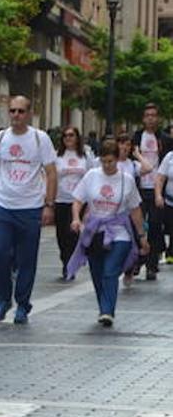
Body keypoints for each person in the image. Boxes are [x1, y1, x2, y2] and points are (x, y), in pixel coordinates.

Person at [0, 96, 57, 324]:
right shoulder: (0, 138)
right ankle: (3, 298)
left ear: (29, 113)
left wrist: (49, 205)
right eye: (12, 111)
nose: (16, 115)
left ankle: (23, 303)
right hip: (3, 206)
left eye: (21, 111)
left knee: (26, 259)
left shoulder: (39, 138)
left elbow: (51, 172)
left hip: (31, 207)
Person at [66, 139, 148, 327]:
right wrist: (76, 219)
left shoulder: (126, 179)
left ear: (117, 160)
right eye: (104, 161)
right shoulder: (92, 176)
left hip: (119, 232)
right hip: (95, 230)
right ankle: (103, 306)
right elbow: (77, 200)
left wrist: (141, 236)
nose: (107, 165)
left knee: (110, 271)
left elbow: (135, 210)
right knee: (97, 272)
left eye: (110, 161)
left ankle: (107, 311)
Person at [133, 104, 173, 279]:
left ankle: (152, 264)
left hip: (157, 190)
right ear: (143, 119)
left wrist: (160, 192)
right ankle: (136, 260)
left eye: (154, 115)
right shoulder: (136, 137)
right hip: (139, 188)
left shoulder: (164, 139)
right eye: (147, 115)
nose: (150, 118)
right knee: (138, 225)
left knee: (155, 227)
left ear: (158, 118)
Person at [54, 126, 95, 279]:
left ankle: (69, 265)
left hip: (79, 201)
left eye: (71, 135)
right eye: (65, 136)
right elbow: (50, 177)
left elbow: (92, 177)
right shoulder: (56, 156)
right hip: (61, 200)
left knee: (73, 234)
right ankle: (64, 258)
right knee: (61, 235)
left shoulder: (86, 156)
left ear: (77, 137)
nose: (68, 138)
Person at [114, 132, 153, 287]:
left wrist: (138, 155)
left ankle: (129, 269)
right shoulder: (111, 162)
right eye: (122, 144)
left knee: (133, 239)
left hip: (130, 208)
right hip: (114, 208)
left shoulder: (132, 165)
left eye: (128, 145)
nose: (124, 147)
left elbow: (148, 168)